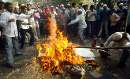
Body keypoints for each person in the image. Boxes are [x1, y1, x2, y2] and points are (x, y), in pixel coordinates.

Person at [0, 2, 22, 68]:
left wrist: (29, 15)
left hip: (14, 32)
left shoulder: (13, 14)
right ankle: (9, 62)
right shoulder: (3, 14)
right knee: (9, 47)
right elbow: (1, 23)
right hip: (7, 33)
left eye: (12, 7)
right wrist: (8, 21)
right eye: (10, 7)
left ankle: (17, 52)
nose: (12, 8)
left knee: (15, 44)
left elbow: (20, 17)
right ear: (6, 8)